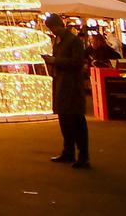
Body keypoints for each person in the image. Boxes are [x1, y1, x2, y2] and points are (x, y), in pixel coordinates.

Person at [44, 14, 89, 168]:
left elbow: (78, 62)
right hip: (61, 85)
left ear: (58, 25)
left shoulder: (74, 41)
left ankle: (83, 155)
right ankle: (68, 151)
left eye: (52, 28)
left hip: (72, 86)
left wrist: (55, 61)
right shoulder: (58, 41)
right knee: (64, 120)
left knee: (77, 121)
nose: (52, 31)